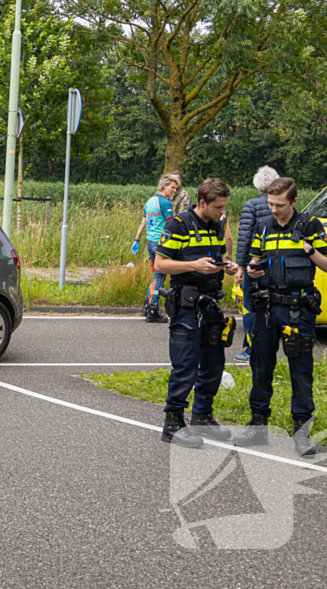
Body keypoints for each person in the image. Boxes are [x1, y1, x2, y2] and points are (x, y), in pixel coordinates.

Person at [234, 177, 327, 458]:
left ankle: (302, 432)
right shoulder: (262, 226)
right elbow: (254, 259)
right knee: (260, 366)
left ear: (294, 202)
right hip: (266, 308)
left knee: (301, 370)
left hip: (297, 309)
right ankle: (257, 426)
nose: (274, 209)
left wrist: (310, 250)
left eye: (280, 205)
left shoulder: (310, 226)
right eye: (270, 204)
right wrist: (252, 270)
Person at [154, 178, 239, 448]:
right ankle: (173, 423)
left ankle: (202, 416)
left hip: (212, 303)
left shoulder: (218, 224)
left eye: (224, 207)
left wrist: (226, 266)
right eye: (218, 207)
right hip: (187, 304)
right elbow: (161, 263)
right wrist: (194, 265)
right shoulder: (178, 224)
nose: (222, 213)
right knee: (186, 365)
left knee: (214, 364)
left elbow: (214, 257)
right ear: (202, 203)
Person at [232, 166, 280, 364]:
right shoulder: (281, 204)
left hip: (255, 262)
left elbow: (244, 238)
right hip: (276, 264)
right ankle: (269, 349)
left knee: (250, 304)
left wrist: (240, 267)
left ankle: (251, 350)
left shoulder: (251, 205)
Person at [132, 174, 179, 323]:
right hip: (161, 243)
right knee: (160, 275)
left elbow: (143, 222)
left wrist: (137, 240)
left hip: (150, 242)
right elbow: (172, 225)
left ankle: (147, 305)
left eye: (176, 188)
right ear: (164, 186)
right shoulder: (165, 203)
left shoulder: (150, 201)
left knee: (157, 274)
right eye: (172, 187)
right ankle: (153, 309)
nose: (174, 191)